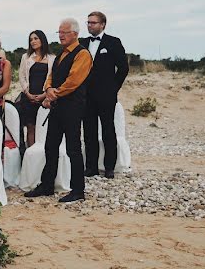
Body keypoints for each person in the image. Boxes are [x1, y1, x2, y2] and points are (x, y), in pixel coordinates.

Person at [24, 18, 93, 203]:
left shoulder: (82, 54)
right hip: (57, 108)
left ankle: (78, 190)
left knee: (73, 149)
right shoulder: (61, 54)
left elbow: (74, 80)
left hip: (72, 108)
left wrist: (55, 94)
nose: (61, 35)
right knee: (50, 146)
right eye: (59, 32)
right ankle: (47, 186)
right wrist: (48, 89)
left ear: (75, 34)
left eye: (64, 32)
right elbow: (51, 76)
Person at [82, 11, 129, 179]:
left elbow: (123, 68)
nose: (89, 25)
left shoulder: (113, 42)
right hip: (86, 95)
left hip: (106, 95)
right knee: (89, 131)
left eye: (93, 23)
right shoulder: (82, 43)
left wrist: (113, 88)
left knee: (108, 130)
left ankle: (109, 167)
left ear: (103, 24)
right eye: (88, 22)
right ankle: (91, 167)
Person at [16, 30, 55, 148]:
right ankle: (30, 154)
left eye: (36, 38)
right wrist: (27, 93)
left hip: (45, 98)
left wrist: (44, 95)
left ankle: (43, 155)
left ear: (42, 40)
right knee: (30, 127)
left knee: (44, 127)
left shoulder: (52, 58)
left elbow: (53, 78)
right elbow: (21, 76)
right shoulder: (26, 57)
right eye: (31, 39)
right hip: (28, 98)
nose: (33, 41)